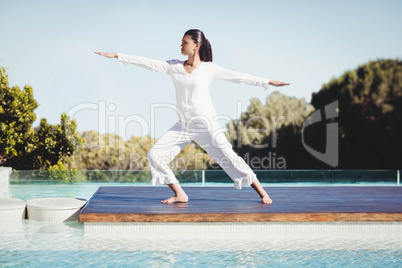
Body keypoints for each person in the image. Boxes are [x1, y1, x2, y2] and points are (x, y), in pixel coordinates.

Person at [95, 29, 290, 204]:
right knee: (154, 155)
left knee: (230, 157)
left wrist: (268, 81)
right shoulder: (174, 67)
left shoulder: (209, 69)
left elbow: (238, 76)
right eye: (181, 42)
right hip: (184, 126)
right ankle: (180, 193)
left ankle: (263, 193)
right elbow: (148, 63)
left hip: (207, 125)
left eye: (184, 42)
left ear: (196, 46)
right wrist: (118, 55)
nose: (181, 45)